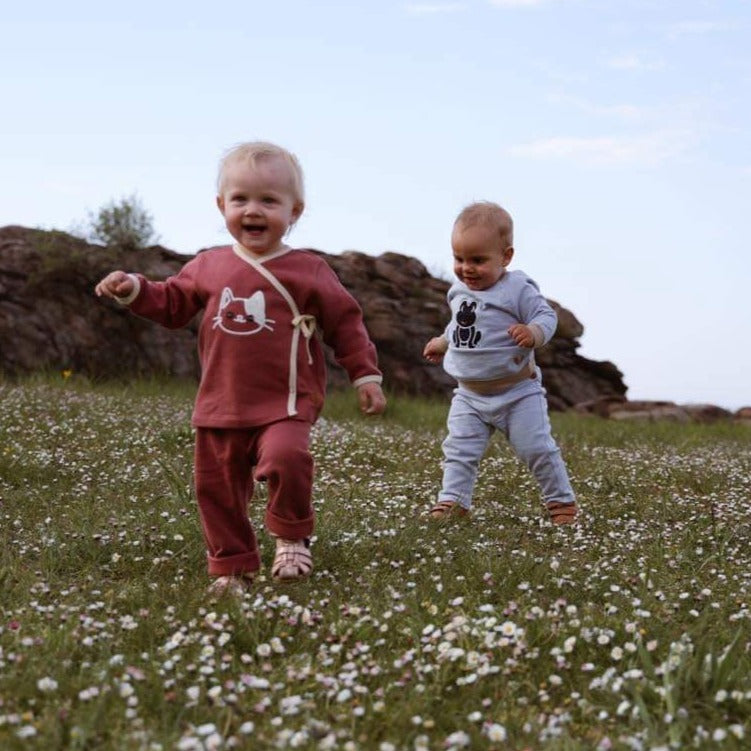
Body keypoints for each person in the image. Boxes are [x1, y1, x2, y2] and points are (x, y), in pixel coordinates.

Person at [95, 141, 387, 596]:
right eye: (241, 199)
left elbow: (345, 324)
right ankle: (233, 566)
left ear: (295, 211)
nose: (254, 210)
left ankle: (291, 534)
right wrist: (134, 288)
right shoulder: (208, 266)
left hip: (284, 402)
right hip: (219, 404)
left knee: (288, 458)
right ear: (221, 205)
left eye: (270, 200)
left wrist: (365, 374)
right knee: (216, 489)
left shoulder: (308, 269)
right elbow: (172, 303)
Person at [423, 201, 576, 525]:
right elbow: (462, 326)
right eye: (459, 258)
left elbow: (546, 315)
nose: (467, 268)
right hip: (469, 395)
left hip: (517, 392)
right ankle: (453, 501)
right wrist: (444, 341)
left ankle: (561, 503)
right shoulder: (458, 291)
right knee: (459, 450)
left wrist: (533, 332)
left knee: (535, 447)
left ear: (506, 257)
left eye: (478, 260)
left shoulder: (516, 288)